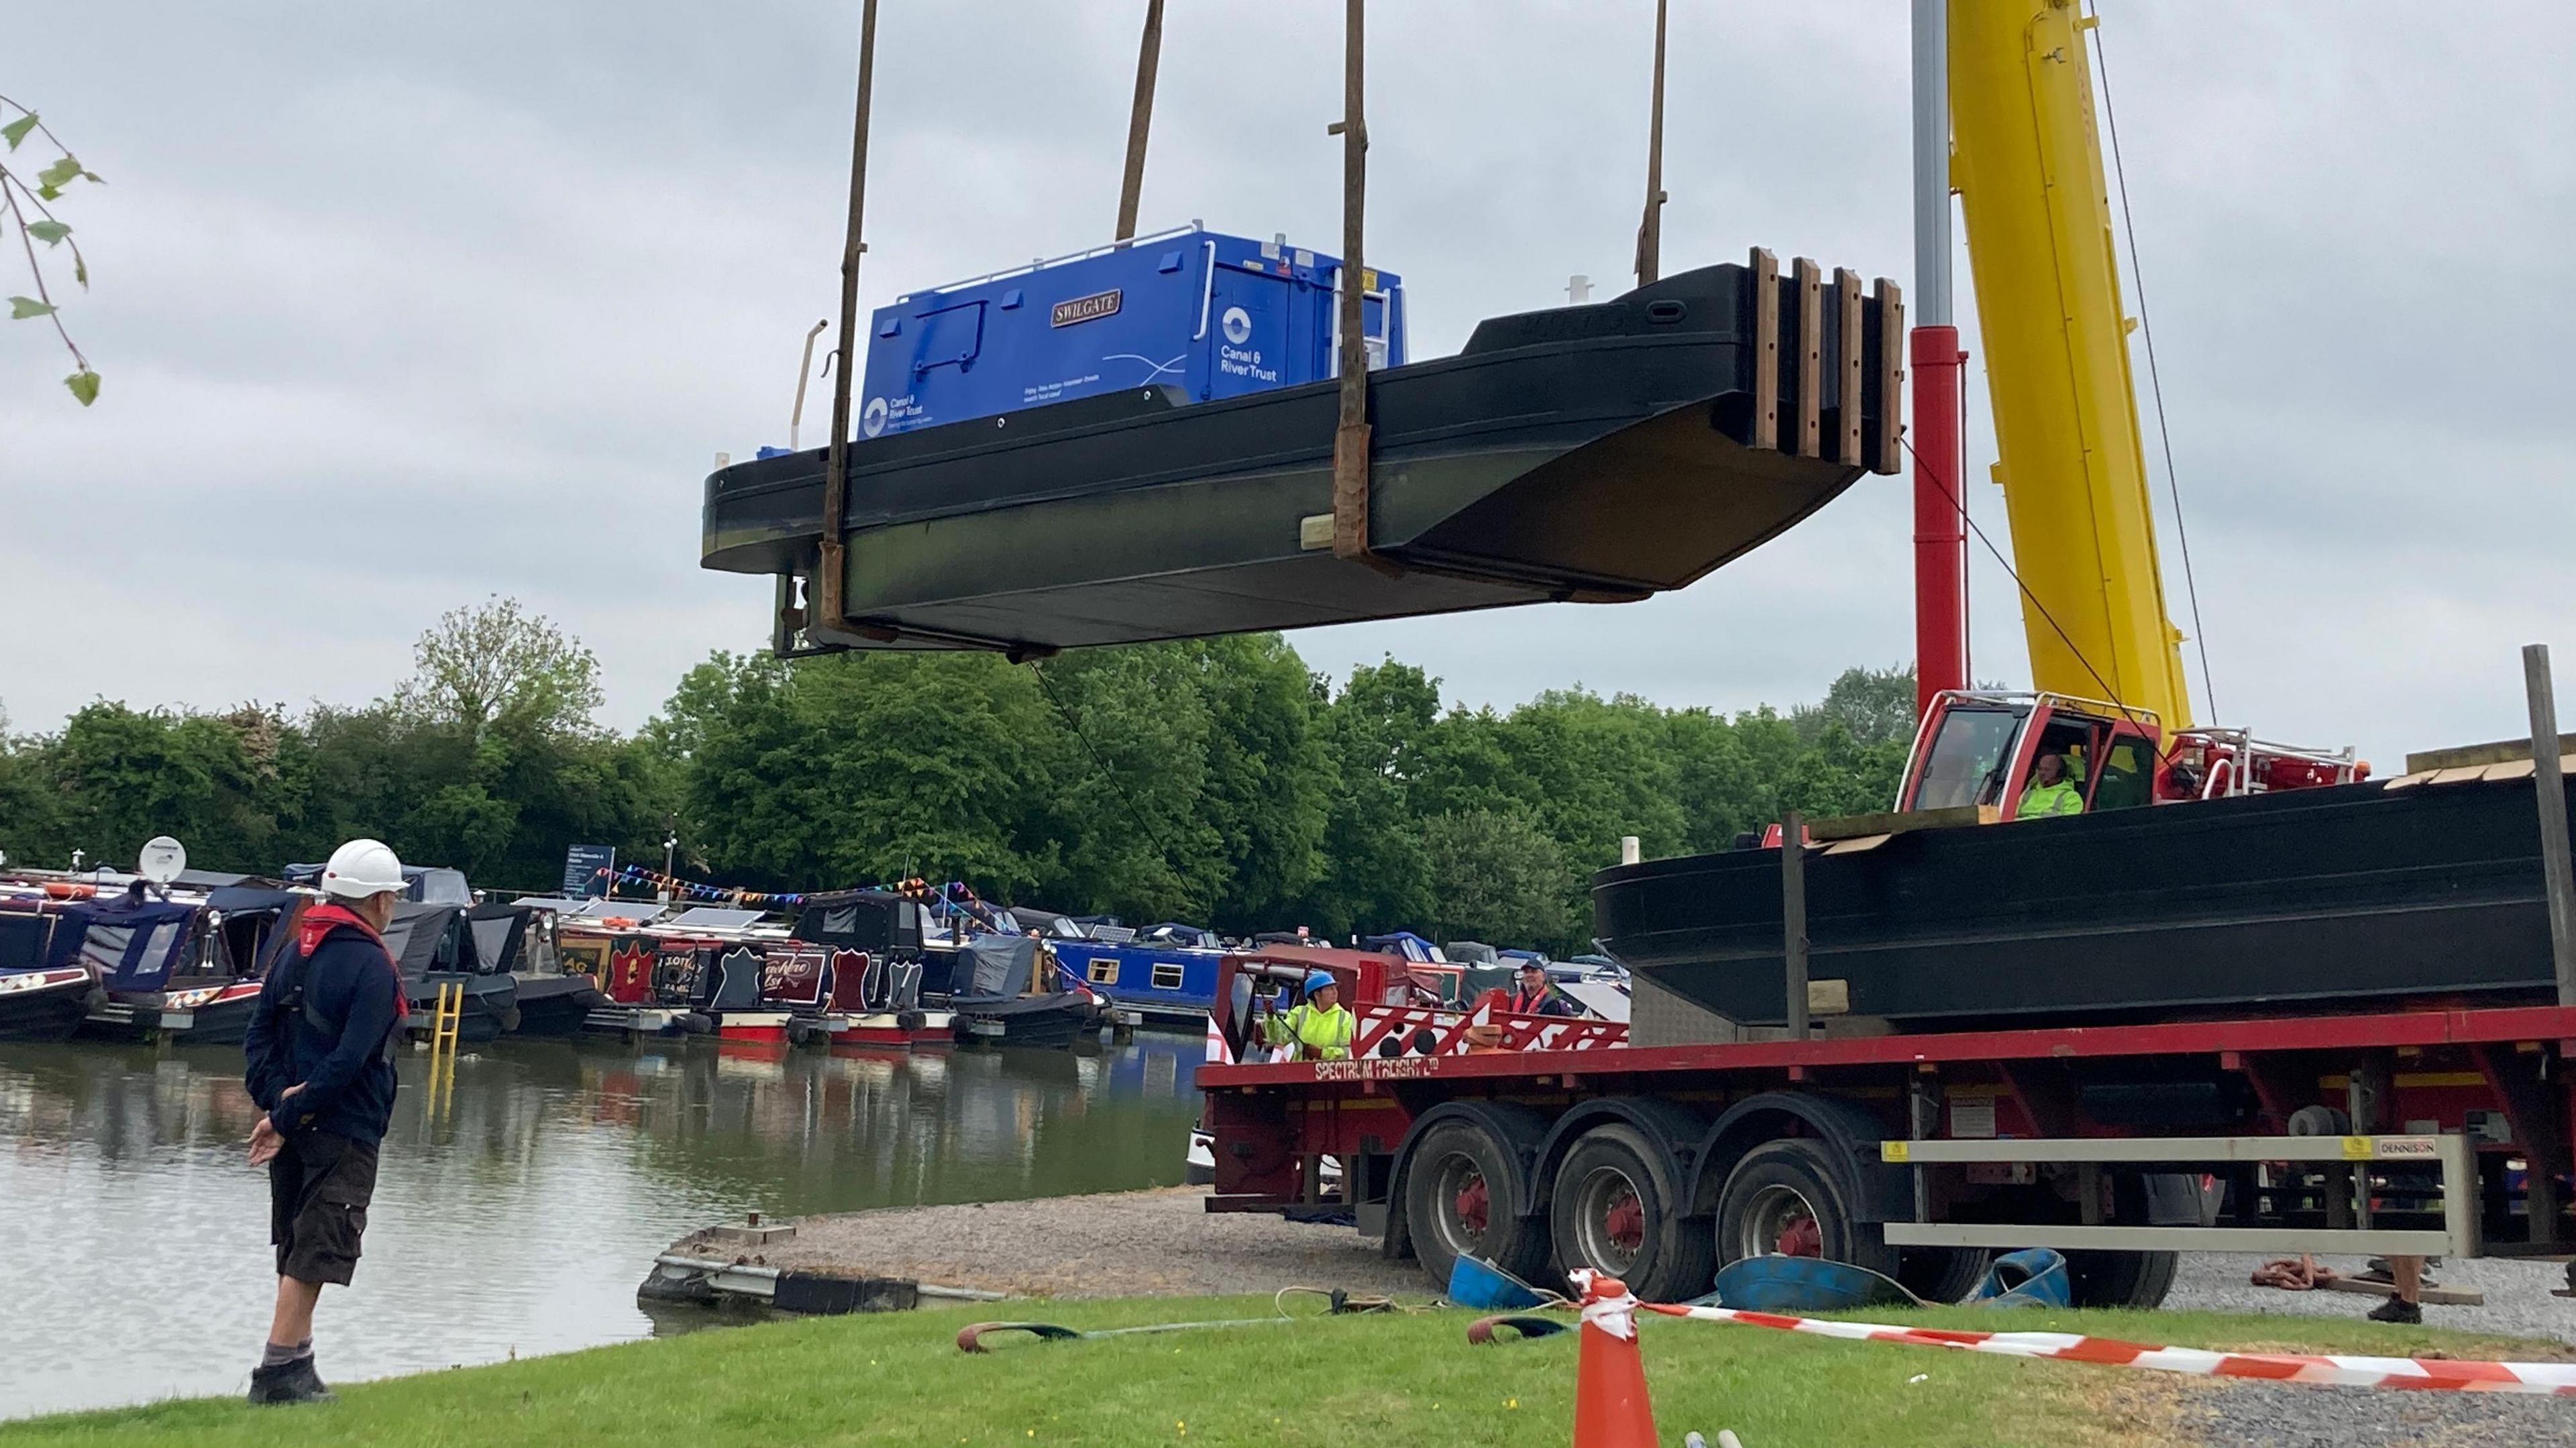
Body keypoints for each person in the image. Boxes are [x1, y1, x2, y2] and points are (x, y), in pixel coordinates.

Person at [241, 838, 411, 1405]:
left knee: (296, 1243)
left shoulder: (294, 951)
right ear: (381, 899)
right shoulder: (372, 964)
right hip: (345, 1126)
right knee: (319, 1246)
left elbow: (258, 1035)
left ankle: (299, 1358)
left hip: (294, 1124)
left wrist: (277, 1106)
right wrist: (289, 1112)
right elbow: (354, 1057)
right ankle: (277, 1374)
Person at [1264, 969, 1354, 1061]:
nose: (1335, 992)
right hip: (1300, 1073)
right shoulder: (1299, 1013)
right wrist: (1271, 1018)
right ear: (1317, 994)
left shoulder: (1345, 1018)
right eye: (1329, 989)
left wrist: (1322, 1053)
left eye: (1335, 988)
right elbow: (1279, 1038)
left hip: (1328, 1074)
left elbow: (1350, 1053)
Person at [2018, 750, 2085, 818]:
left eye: (2047, 770)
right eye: (2040, 769)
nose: (2042, 773)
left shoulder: (2071, 797)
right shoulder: (2029, 794)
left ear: (2060, 773)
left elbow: (2069, 825)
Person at [1508, 959, 1581, 1017]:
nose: (1529, 975)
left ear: (1543, 976)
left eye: (1534, 972)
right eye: (1526, 972)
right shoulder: (1512, 1000)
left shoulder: (1551, 1003)